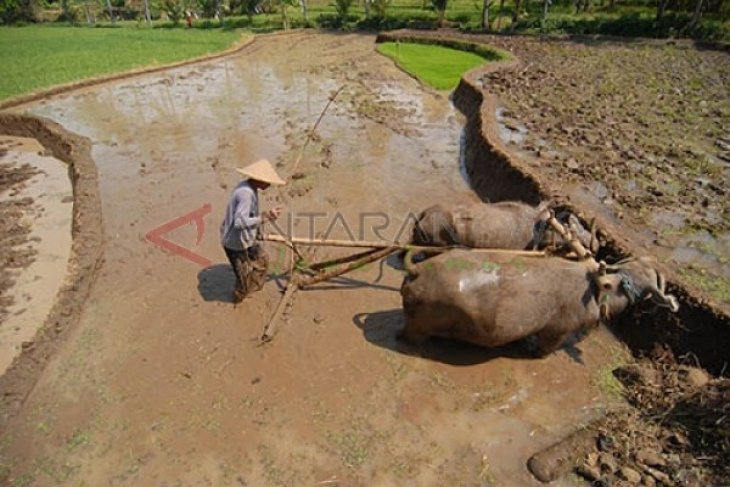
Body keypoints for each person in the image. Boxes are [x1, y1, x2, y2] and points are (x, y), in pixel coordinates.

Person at [220, 159, 285, 303]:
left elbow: (248, 216)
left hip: (246, 237)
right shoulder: (246, 194)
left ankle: (254, 286)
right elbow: (238, 222)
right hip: (234, 243)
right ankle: (238, 300)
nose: (269, 184)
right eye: (267, 181)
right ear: (258, 179)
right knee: (242, 282)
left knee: (263, 260)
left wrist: (258, 230)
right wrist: (265, 216)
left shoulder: (250, 188)